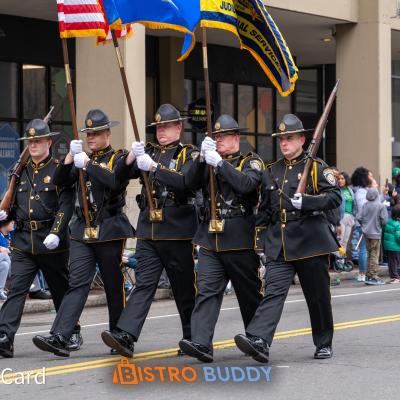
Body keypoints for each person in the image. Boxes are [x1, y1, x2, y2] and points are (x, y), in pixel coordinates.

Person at [234, 114, 341, 363]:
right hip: (279, 242)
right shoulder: (271, 170)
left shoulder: (316, 167)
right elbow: (265, 210)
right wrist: (260, 242)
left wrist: (309, 201)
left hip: (310, 242)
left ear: (302, 139)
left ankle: (323, 342)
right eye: (281, 139)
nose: (284, 143)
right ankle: (259, 339)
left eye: (289, 138)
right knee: (273, 293)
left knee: (317, 297)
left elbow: (334, 197)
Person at [32, 109, 135, 357]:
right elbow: (59, 181)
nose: (91, 137)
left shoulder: (117, 158)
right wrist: (69, 157)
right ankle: (61, 335)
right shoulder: (80, 158)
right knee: (77, 283)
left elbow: (115, 181)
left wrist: (88, 164)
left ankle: (120, 336)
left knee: (113, 283)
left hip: (109, 229)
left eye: (96, 133)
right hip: (81, 230)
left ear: (108, 133)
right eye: (89, 133)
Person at [101, 104, 197, 357]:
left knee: (183, 288)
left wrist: (154, 168)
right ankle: (126, 335)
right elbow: (117, 178)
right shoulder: (149, 151)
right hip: (149, 230)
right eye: (158, 128)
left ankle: (193, 336)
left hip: (177, 230)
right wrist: (132, 157)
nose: (161, 131)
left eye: (166, 126)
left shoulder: (189, 154)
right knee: (144, 284)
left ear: (178, 127)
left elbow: (186, 184)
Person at [178, 114, 264, 362]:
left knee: (248, 293)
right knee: (206, 291)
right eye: (216, 137)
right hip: (210, 237)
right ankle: (201, 342)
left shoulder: (251, 161)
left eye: (223, 136)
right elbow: (188, 184)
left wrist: (222, 165)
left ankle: (257, 338)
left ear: (236, 138)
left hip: (239, 237)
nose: (219, 140)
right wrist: (202, 160)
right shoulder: (208, 161)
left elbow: (247, 185)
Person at [0, 119, 76, 358]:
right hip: (24, 241)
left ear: (48, 143)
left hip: (50, 241)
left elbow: (66, 206)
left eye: (38, 141)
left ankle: (70, 331)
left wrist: (56, 231)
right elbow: (16, 207)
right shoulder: (20, 171)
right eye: (30, 141)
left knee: (60, 290)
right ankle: (4, 337)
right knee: (17, 290)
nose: (33, 145)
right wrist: (5, 215)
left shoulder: (58, 169)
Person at [360, 187, 388, 285]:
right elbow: (384, 221)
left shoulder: (365, 205)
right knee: (374, 255)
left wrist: (364, 225)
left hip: (366, 233)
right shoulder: (381, 206)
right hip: (376, 233)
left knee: (369, 254)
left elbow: (359, 217)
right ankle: (373, 276)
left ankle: (368, 275)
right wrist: (379, 225)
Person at [351, 167, 373, 281]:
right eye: (369, 176)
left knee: (365, 249)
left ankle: (363, 273)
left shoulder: (363, 191)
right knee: (364, 249)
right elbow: (363, 209)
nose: (371, 178)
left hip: (365, 224)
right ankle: (362, 273)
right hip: (364, 225)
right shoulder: (361, 192)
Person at [338, 171, 356, 257]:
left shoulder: (350, 190)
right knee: (340, 241)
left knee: (345, 241)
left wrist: (353, 217)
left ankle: (342, 260)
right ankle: (337, 261)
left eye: (342, 179)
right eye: (339, 179)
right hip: (341, 217)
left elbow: (354, 204)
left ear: (346, 180)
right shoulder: (337, 190)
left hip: (350, 217)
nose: (340, 180)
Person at [383, 205, 400, 283]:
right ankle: (395, 276)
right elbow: (398, 237)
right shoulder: (397, 224)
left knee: (391, 262)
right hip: (395, 246)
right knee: (395, 261)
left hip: (388, 245)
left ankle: (392, 276)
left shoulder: (388, 221)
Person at [0, 219, 13, 301]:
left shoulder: (12, 233)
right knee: (5, 256)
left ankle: (0, 290)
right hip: (5, 256)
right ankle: (15, 281)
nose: (13, 224)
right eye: (11, 222)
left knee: (5, 265)